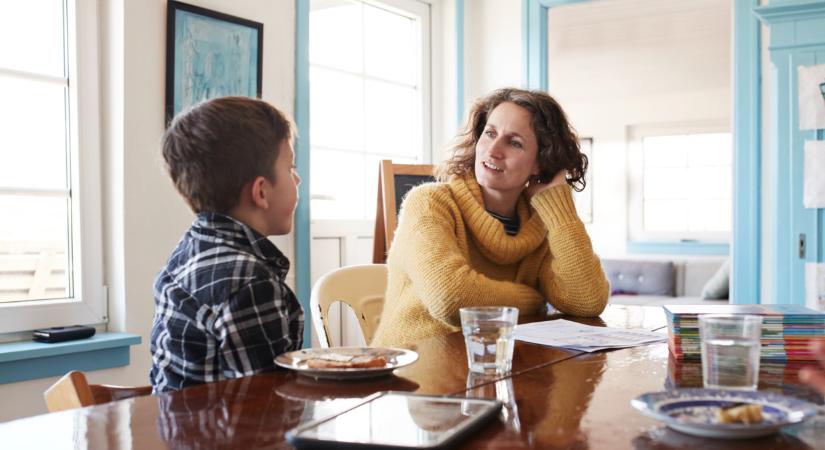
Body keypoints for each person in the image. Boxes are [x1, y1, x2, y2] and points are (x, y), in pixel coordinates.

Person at [372, 88, 609, 347]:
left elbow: (587, 301)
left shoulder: (537, 227)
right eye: (490, 133)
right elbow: (450, 297)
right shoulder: (429, 203)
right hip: (413, 371)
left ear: (539, 163)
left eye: (514, 142)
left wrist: (559, 208)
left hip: (496, 367)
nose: (494, 150)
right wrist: (533, 299)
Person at [150, 97, 303, 392]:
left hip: (175, 431)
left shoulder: (189, 250)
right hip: (229, 436)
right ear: (261, 191)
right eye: (290, 168)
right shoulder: (249, 282)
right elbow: (269, 405)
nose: (297, 179)